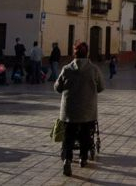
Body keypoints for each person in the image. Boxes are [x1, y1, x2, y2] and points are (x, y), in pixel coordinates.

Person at [55, 42, 103, 177]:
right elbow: (101, 87)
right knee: (85, 135)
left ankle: (67, 160)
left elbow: (58, 87)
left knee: (68, 136)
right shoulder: (94, 69)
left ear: (74, 53)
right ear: (87, 53)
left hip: (69, 111)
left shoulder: (66, 69)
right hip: (88, 111)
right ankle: (83, 158)